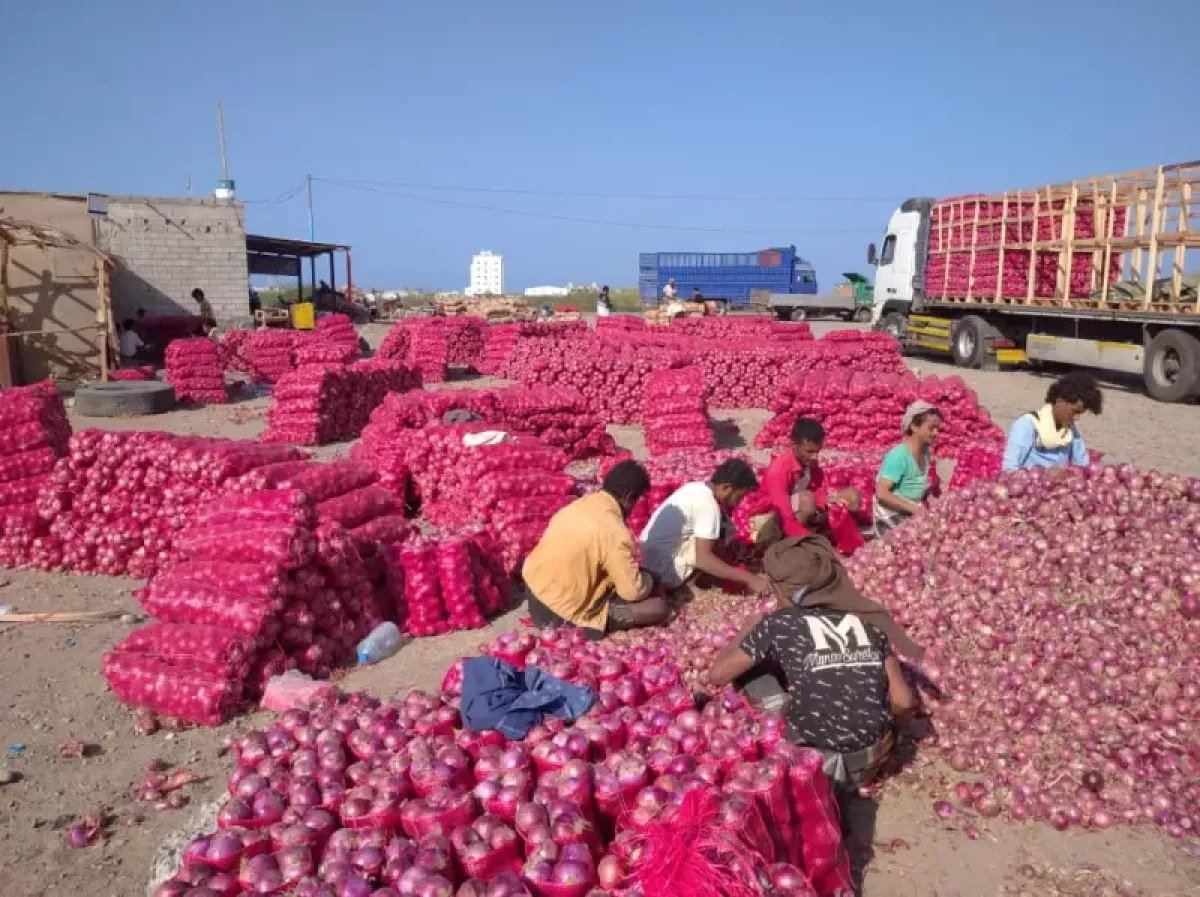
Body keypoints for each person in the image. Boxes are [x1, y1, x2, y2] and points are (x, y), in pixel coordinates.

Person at [707, 591, 916, 789]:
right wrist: (891, 740)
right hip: (866, 766)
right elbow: (904, 702)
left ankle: (776, 733)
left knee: (748, 671)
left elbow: (718, 675)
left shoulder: (780, 621)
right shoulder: (871, 621)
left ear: (780, 588)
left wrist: (748, 628)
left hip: (806, 768)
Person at [522, 460, 669, 640]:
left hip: (534, 592)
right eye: (636, 501)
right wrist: (649, 580)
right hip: (560, 613)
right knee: (657, 608)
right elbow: (632, 592)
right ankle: (585, 625)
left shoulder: (579, 505)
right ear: (630, 497)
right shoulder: (615, 532)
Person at [639, 459, 772, 595]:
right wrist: (750, 579)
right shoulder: (709, 505)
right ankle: (689, 583)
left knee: (722, 528)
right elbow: (703, 559)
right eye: (739, 496)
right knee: (717, 535)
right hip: (664, 572)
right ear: (726, 488)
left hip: (647, 561)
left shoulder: (695, 488)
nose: (740, 501)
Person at [753, 418, 861, 548]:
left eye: (818, 451)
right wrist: (813, 542)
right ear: (794, 445)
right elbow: (784, 516)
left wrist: (830, 502)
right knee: (806, 500)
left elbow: (819, 491)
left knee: (852, 495)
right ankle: (792, 545)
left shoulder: (809, 463)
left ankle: (843, 539)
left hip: (800, 510)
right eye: (809, 451)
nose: (815, 457)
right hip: (772, 519)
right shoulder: (778, 471)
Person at [1002, 372, 1103, 473]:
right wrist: (1045, 476)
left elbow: (1082, 465)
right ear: (1060, 402)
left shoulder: (1070, 430)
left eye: (1080, 413)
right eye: (1074, 411)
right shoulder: (1027, 425)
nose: (1077, 417)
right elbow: (1009, 469)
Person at [873, 401, 943, 535]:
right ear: (914, 427)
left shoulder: (925, 452)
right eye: (931, 428)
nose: (936, 433)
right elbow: (881, 494)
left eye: (938, 429)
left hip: (909, 510)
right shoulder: (899, 456)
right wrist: (914, 509)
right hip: (890, 514)